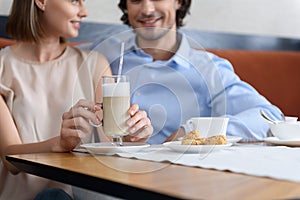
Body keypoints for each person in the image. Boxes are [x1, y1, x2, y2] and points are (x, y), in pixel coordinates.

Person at [0, 0, 152, 199]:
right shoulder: (3, 67)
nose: (84, 12)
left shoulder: (93, 64)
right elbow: (10, 157)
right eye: (74, 1)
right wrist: (60, 145)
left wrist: (132, 137)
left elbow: (110, 148)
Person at [80, 0, 283, 144]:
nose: (147, 9)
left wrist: (191, 131)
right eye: (136, 0)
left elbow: (270, 116)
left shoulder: (209, 69)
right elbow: (55, 57)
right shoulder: (105, 52)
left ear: (179, 1)